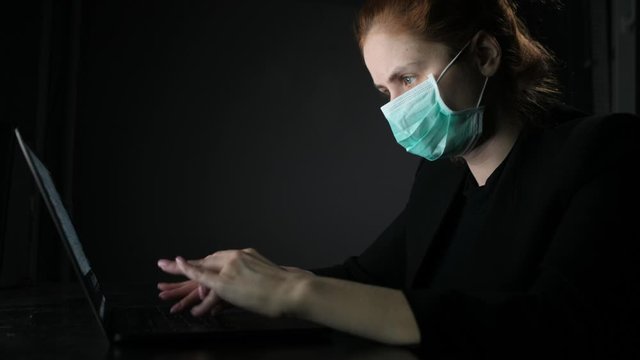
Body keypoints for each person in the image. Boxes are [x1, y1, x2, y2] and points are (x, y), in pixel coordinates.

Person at [157, 0, 639, 357]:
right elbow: (369, 279)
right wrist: (256, 283)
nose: (396, 107)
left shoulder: (603, 151)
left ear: (485, 54)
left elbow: (552, 328)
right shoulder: (441, 174)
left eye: (407, 79)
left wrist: (295, 294)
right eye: (384, 90)